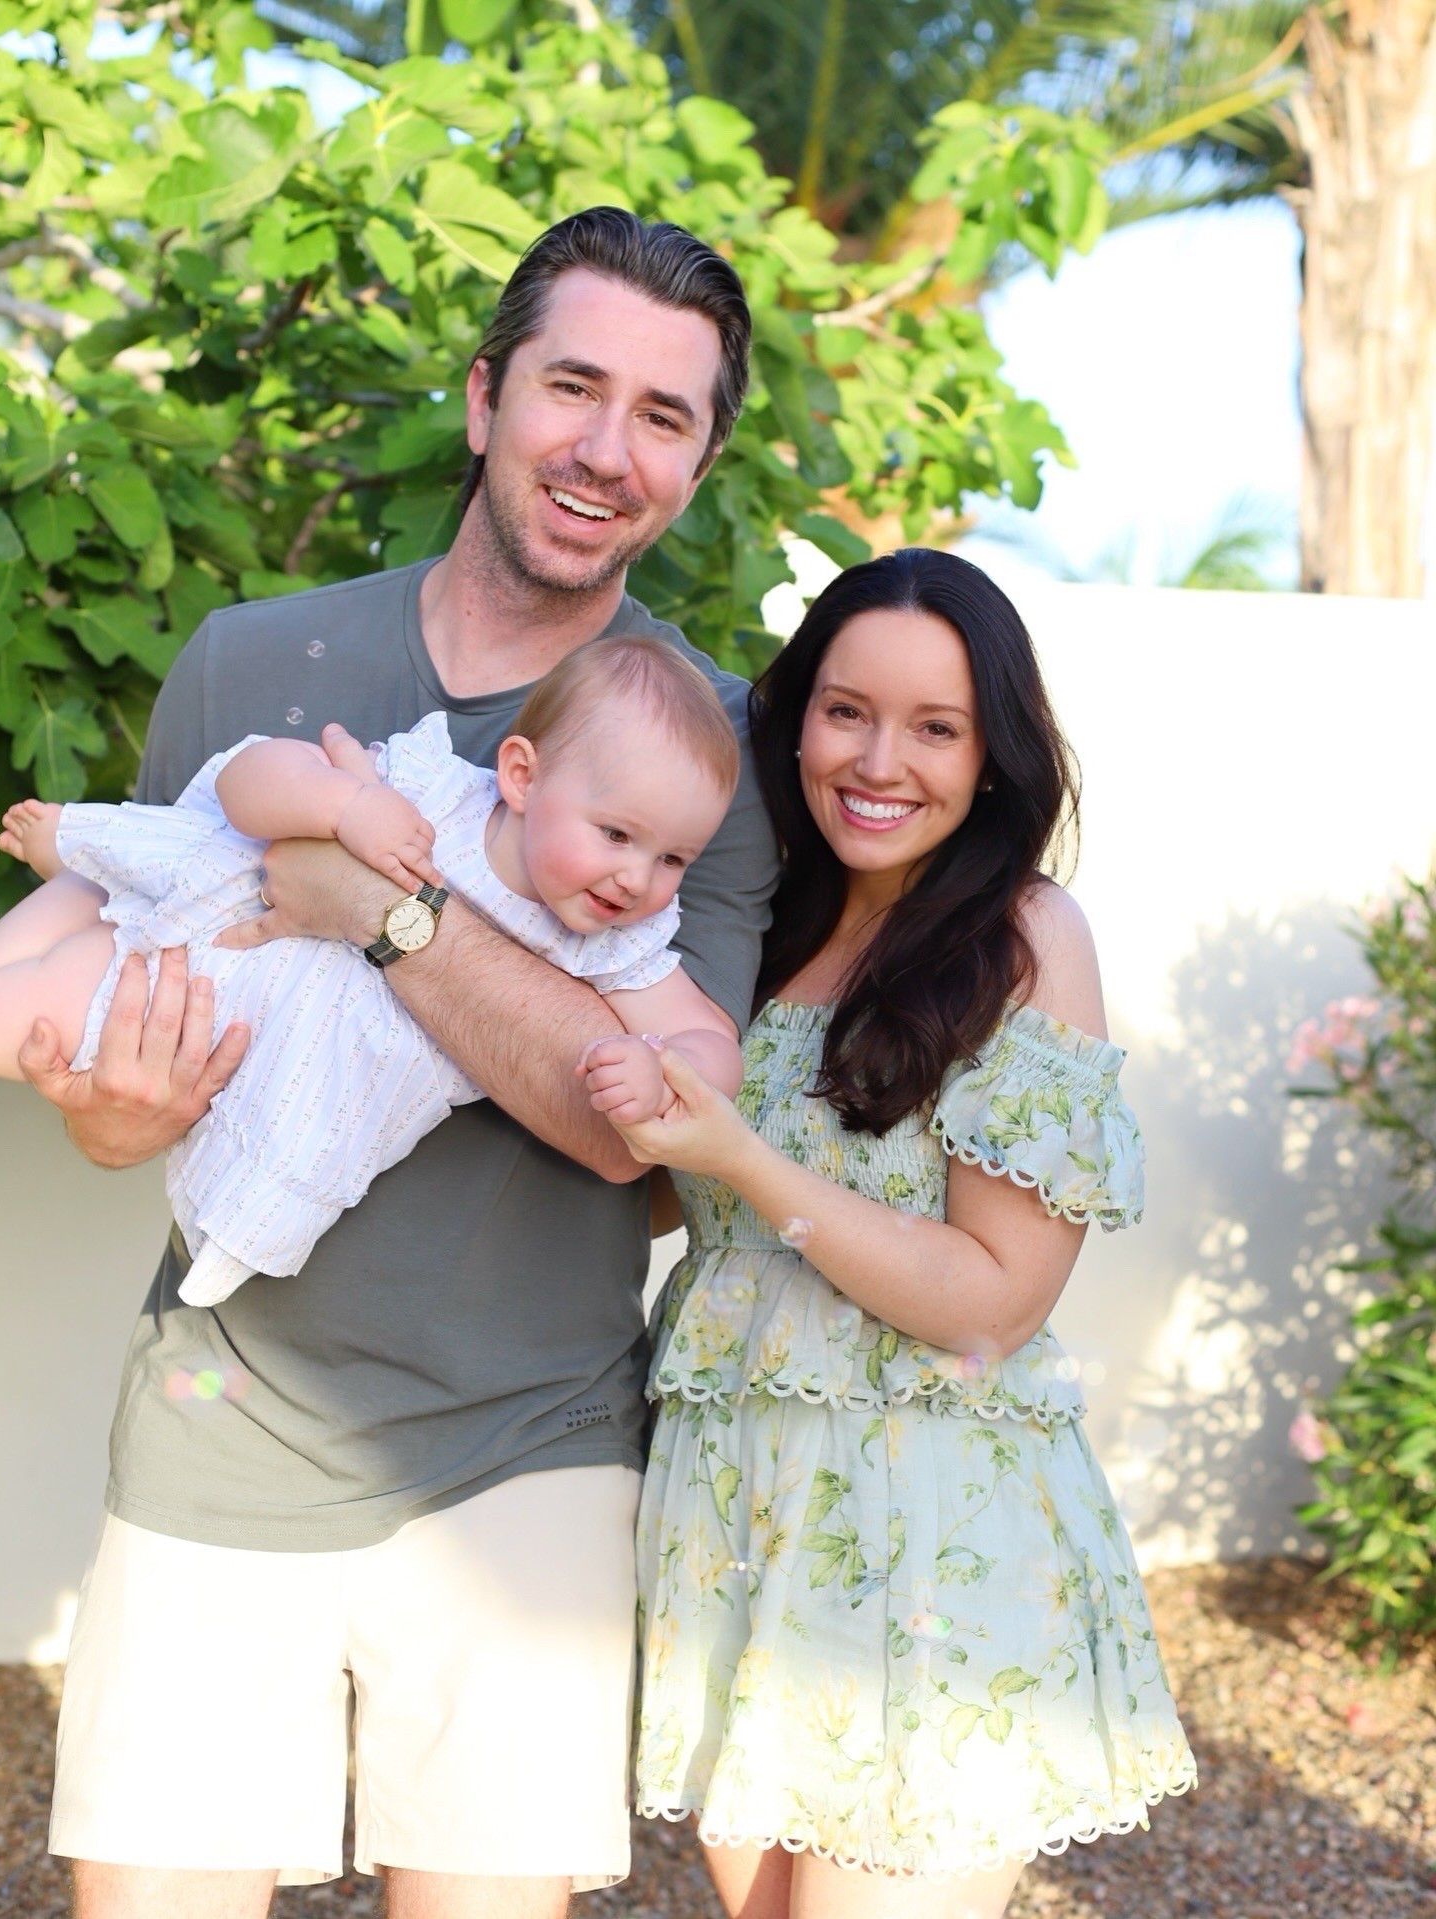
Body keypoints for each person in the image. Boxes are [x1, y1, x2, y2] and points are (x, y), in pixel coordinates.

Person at [38, 208, 778, 1919]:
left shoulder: (712, 752)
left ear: (701, 460)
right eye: (572, 387)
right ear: (481, 398)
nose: (607, 446)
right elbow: (146, 1033)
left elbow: (642, 1131)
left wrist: (382, 908)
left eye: (664, 415)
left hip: (533, 1448)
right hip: (219, 1423)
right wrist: (106, 1107)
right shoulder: (253, 658)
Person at [592, 549, 1196, 1919]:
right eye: (847, 709)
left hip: (933, 1554)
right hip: (741, 1526)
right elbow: (672, 1195)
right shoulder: (748, 925)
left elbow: (995, 1299)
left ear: (993, 755)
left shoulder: (1026, 937)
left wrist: (737, 1149)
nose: (880, 759)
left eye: (936, 726)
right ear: (794, 715)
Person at [0, 638, 743, 1307]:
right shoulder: (426, 790)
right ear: (520, 776)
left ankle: (75, 872)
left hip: (214, 1007)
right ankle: (81, 853)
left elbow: (705, 1044)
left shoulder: (614, 942)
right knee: (88, 902)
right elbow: (246, 778)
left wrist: (658, 1070)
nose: (637, 878)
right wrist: (349, 804)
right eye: (616, 834)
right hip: (222, 903)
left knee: (26, 1011)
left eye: (674, 857)